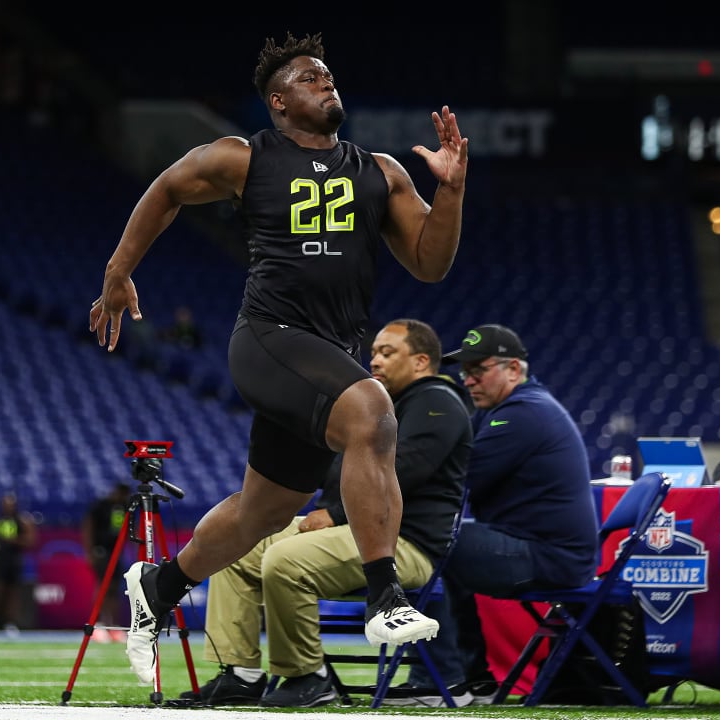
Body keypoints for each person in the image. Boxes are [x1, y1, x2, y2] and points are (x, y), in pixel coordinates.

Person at [87, 31, 469, 684]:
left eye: (329, 74)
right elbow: (168, 188)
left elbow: (431, 264)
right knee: (374, 413)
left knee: (262, 512)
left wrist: (453, 193)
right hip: (270, 337)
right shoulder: (245, 158)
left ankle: (158, 586)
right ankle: (385, 596)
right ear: (279, 100)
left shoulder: (380, 171)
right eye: (309, 76)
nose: (326, 81)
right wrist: (118, 272)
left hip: (331, 355)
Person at [182, 319, 472, 707]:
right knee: (237, 544)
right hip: (352, 530)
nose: (376, 361)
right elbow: (343, 468)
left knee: (283, 560)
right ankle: (240, 673)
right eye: (374, 353)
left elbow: (404, 470)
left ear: (422, 361)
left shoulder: (438, 401)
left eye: (388, 352)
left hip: (405, 546)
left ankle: (307, 676)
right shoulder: (379, 404)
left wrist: (335, 513)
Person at [390, 324, 600, 706]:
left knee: (426, 543)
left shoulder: (522, 413)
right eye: (464, 372)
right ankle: (472, 677)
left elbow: (454, 475)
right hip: (544, 548)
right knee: (444, 541)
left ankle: (437, 679)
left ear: (514, 370)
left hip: (550, 556)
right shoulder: (508, 408)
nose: (468, 380)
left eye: (478, 370)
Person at [80, 481, 131, 644]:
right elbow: (88, 527)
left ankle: (113, 625)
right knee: (103, 586)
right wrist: (89, 551)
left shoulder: (125, 506)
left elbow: (130, 528)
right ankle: (99, 623)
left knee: (115, 588)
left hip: (117, 552)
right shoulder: (101, 506)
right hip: (101, 550)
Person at [0, 492, 37, 638]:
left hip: (14, 560)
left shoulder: (21, 520)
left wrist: (13, 540)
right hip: (0, 560)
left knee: (13, 594)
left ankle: (9, 623)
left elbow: (31, 540)